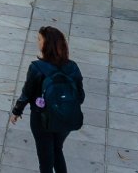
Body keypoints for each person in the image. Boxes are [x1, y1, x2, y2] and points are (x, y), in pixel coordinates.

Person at [9, 25, 84, 173]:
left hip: (41, 119)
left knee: (45, 160)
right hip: (65, 119)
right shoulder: (73, 67)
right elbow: (80, 96)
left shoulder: (37, 68)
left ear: (46, 44)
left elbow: (27, 93)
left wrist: (17, 111)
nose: (37, 42)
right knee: (57, 150)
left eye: (39, 39)